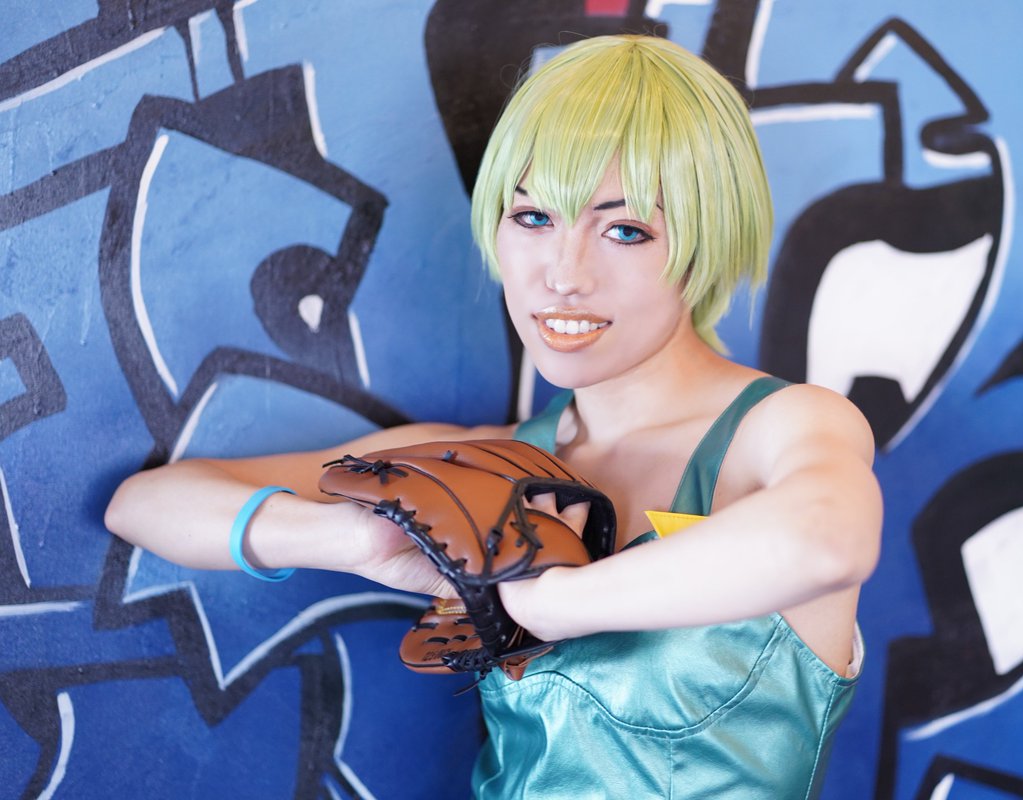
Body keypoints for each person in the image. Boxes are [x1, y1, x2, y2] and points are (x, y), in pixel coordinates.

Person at [106, 34, 881, 798]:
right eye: (534, 218)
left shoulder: (779, 431)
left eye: (626, 230)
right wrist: (354, 540)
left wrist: (551, 603)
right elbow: (144, 505)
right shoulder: (484, 466)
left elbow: (826, 540)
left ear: (705, 242)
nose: (564, 275)